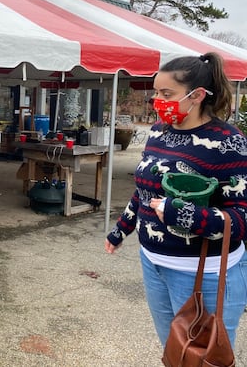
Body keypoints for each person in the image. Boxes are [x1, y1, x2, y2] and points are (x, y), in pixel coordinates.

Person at [105, 52, 247, 348]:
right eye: (156, 92)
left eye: (166, 93)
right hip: (153, 261)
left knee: (203, 355)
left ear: (196, 95)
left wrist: (181, 215)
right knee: (174, 349)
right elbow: (145, 190)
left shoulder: (228, 142)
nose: (157, 100)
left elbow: (240, 220)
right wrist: (122, 229)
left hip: (202, 273)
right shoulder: (158, 133)